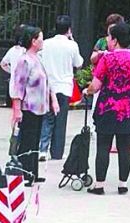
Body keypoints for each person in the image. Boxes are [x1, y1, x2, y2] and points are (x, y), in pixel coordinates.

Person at [84, 23, 130, 195]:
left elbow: (96, 85)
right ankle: (122, 184)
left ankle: (99, 185)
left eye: (109, 38)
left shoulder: (107, 59)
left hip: (107, 109)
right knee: (125, 147)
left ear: (115, 40)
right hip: (128, 110)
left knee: (103, 146)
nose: (108, 40)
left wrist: (87, 90)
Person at [11, 25, 59, 186]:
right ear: (33, 41)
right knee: (27, 140)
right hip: (28, 106)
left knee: (35, 140)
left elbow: (48, 81)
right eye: (40, 38)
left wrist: (53, 100)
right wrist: (17, 109)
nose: (42, 41)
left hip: (40, 107)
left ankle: (33, 171)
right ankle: (25, 173)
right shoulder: (24, 61)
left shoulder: (38, 59)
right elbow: (18, 87)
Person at [38, 15, 83, 161]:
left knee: (47, 118)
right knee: (60, 121)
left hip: (48, 86)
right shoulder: (72, 45)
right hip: (64, 86)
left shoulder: (46, 43)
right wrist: (73, 40)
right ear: (69, 29)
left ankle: (42, 149)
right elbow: (78, 63)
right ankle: (57, 152)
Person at [0, 25, 26, 108]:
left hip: (14, 83)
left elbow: (3, 64)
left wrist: (11, 71)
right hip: (25, 82)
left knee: (16, 108)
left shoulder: (12, 50)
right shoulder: (26, 51)